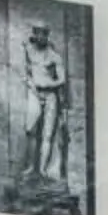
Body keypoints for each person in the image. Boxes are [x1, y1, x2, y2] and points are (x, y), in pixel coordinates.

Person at [19, 21, 73, 202]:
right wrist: (31, 83)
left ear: (47, 35)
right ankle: (29, 170)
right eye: (38, 33)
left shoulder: (54, 56)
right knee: (30, 130)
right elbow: (25, 71)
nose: (41, 36)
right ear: (34, 33)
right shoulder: (28, 50)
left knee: (47, 134)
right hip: (34, 93)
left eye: (44, 33)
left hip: (50, 95)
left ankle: (42, 170)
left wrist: (47, 84)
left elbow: (62, 79)